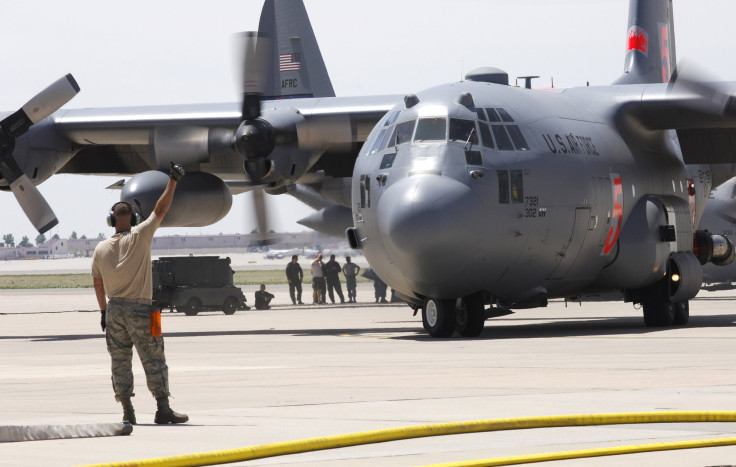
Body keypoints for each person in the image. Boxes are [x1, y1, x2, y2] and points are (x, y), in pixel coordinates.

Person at [92, 161, 188, 425]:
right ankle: (163, 408)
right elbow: (161, 208)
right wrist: (173, 180)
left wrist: (103, 312)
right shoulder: (141, 236)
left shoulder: (100, 249)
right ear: (133, 220)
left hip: (114, 312)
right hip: (142, 310)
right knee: (154, 356)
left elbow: (98, 284)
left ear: (112, 221)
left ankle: (127, 411)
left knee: (120, 361)